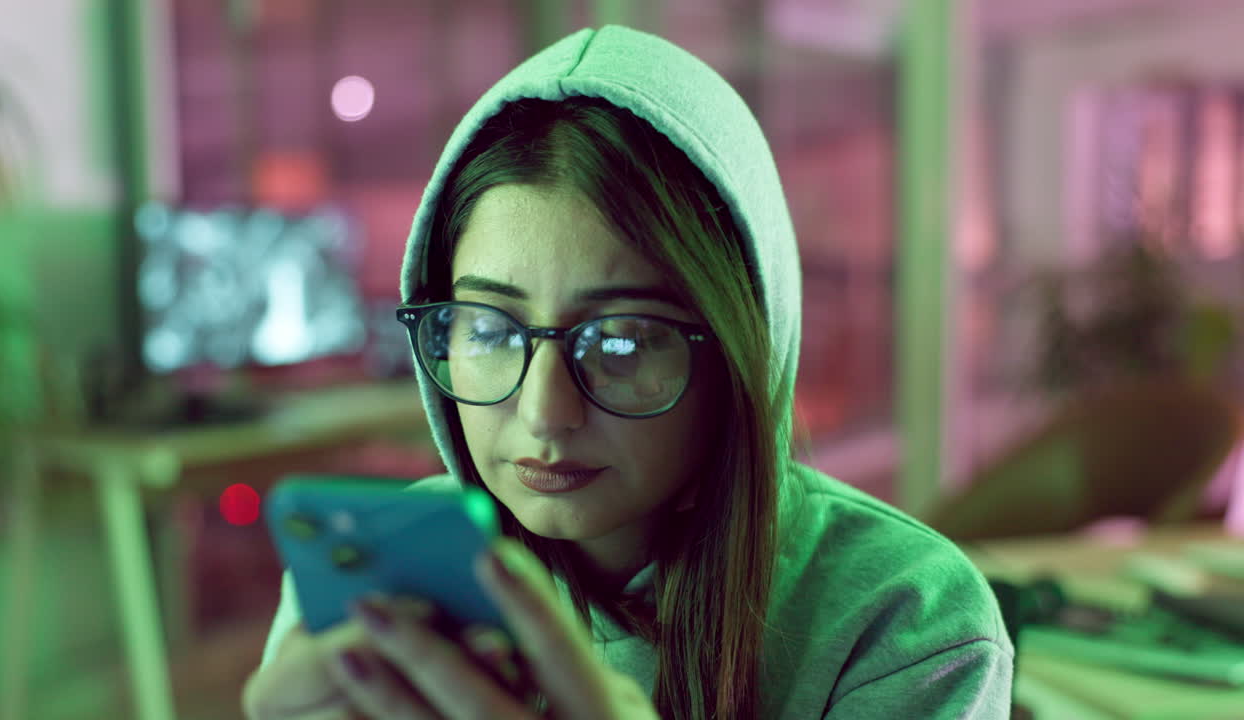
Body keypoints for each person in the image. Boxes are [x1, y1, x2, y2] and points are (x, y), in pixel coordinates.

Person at [242, 25, 1013, 719]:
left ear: (740, 352)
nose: (545, 412)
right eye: (488, 328)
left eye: (623, 341)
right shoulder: (377, 581)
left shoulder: (905, 626)